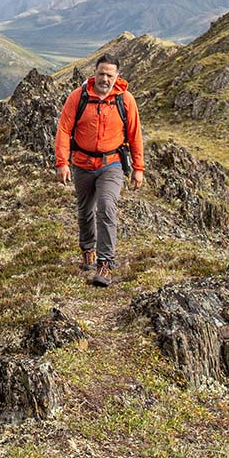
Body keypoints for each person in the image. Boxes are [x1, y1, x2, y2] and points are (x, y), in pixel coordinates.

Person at [54, 53, 144, 287]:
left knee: (106, 207)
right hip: (82, 163)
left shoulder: (125, 100)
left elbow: (135, 134)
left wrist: (138, 167)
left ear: (117, 76)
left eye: (110, 75)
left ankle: (104, 263)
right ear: (94, 73)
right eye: (101, 74)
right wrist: (62, 162)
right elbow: (64, 129)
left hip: (111, 164)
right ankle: (87, 250)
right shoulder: (78, 97)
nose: (105, 79)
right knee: (85, 210)